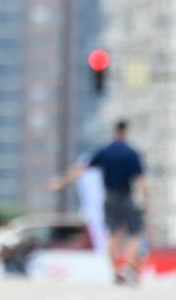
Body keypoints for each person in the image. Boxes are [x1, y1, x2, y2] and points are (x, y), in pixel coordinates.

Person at [51, 119, 147, 284]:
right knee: (134, 234)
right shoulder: (131, 153)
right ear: (126, 132)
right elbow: (140, 180)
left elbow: (81, 168)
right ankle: (130, 264)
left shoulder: (105, 151)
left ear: (114, 132)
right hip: (126, 196)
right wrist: (146, 200)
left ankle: (116, 272)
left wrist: (61, 182)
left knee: (113, 235)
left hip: (110, 197)